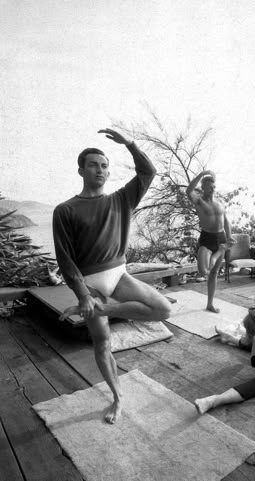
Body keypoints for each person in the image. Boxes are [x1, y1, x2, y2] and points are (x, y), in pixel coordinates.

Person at [53, 128, 172, 423]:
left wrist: (129, 144)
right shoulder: (65, 210)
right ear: (81, 169)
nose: (100, 170)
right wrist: (83, 296)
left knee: (163, 309)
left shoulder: (121, 199)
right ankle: (117, 398)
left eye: (104, 165)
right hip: (89, 282)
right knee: (102, 342)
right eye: (93, 164)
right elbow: (66, 261)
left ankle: (99, 310)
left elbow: (148, 171)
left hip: (118, 275)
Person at [186, 170, 235, 313]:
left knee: (213, 274)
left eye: (214, 186)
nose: (212, 188)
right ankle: (221, 250)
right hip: (207, 238)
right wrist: (202, 174)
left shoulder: (220, 204)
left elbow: (226, 221)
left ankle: (210, 304)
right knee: (203, 272)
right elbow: (189, 190)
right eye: (209, 186)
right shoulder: (198, 201)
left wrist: (229, 236)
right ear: (203, 187)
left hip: (221, 237)